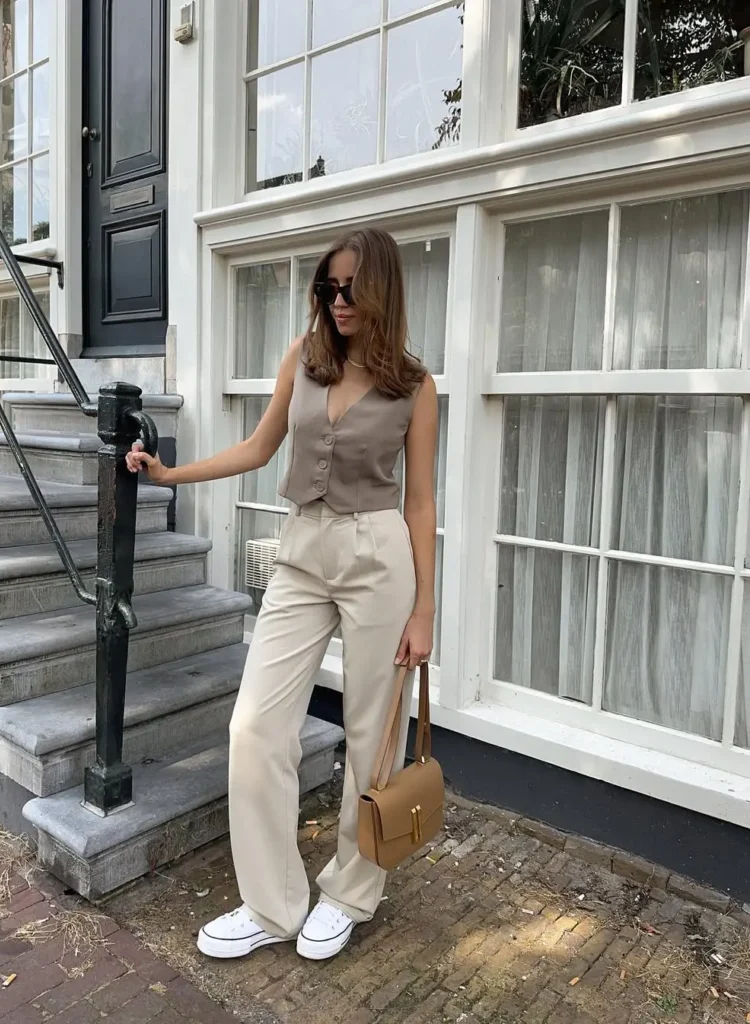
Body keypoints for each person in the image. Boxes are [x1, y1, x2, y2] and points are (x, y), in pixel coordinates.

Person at [126, 227, 438, 961]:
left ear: (383, 290)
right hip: (301, 551)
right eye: (327, 288)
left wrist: (426, 609)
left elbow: (420, 500)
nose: (338, 301)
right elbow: (259, 447)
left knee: (371, 736)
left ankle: (351, 893)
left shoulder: (416, 386)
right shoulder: (302, 359)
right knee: (255, 727)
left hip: (379, 558)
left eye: (351, 288)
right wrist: (170, 477)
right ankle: (272, 905)